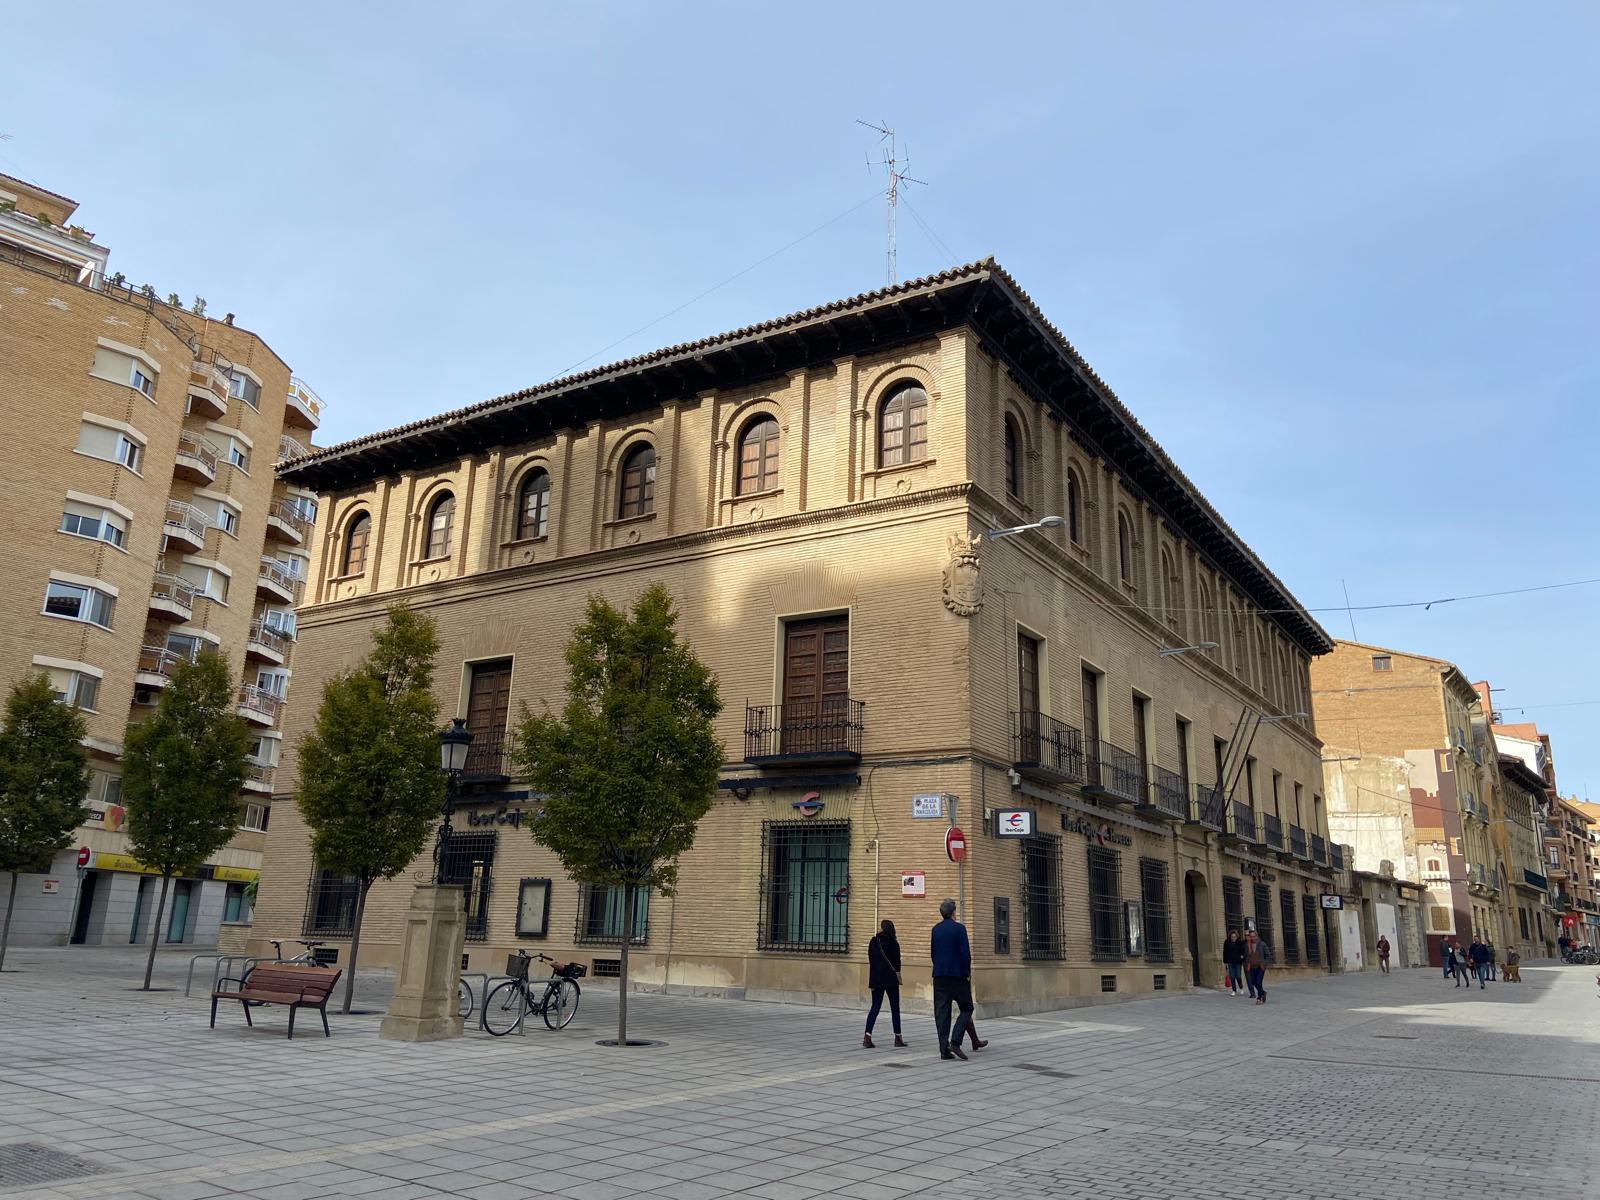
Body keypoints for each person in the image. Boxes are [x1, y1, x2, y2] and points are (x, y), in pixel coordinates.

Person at [930, 898, 975, 1061]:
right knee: (967, 1007)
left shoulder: (935, 930)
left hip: (939, 975)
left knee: (941, 1013)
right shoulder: (959, 929)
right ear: (954, 912)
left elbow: (933, 953)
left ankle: (944, 1049)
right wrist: (967, 972)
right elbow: (965, 954)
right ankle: (955, 1041)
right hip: (957, 975)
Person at [863, 919, 906, 1048]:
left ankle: (867, 1037)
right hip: (891, 980)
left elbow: (871, 959)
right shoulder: (893, 943)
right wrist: (897, 974)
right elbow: (897, 964)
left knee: (875, 1007)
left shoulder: (874, 942)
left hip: (876, 979)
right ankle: (898, 1038)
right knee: (895, 1008)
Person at [1244, 930, 1269, 1005]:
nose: (1252, 938)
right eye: (1251, 937)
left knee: (1258, 982)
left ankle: (1259, 998)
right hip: (1251, 967)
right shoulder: (1247, 945)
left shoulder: (1262, 944)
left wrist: (1264, 964)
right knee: (1253, 982)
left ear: (1257, 936)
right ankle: (1263, 992)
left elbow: (1267, 955)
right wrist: (1247, 964)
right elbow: (1247, 956)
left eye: (1253, 936)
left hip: (1260, 967)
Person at [1222, 930, 1246, 995]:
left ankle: (1241, 988)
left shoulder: (1239, 942)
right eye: (1232, 937)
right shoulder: (1227, 942)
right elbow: (1225, 952)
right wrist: (1225, 961)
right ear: (1230, 937)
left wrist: (1242, 956)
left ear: (1237, 937)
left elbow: (1243, 951)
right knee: (1232, 976)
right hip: (1230, 961)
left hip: (1238, 962)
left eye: (1235, 937)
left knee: (1238, 976)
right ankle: (1234, 990)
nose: (1233, 938)